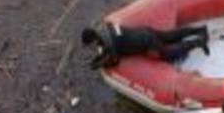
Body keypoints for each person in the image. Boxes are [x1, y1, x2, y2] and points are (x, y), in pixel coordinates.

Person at [81, 22, 209, 69]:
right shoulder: (106, 26)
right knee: (170, 36)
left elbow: (114, 61)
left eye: (91, 44)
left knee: (168, 54)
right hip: (144, 31)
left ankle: (198, 42)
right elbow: (108, 44)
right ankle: (200, 30)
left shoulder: (110, 44)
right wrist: (99, 57)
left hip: (147, 42)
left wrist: (98, 64)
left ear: (93, 39)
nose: (92, 46)